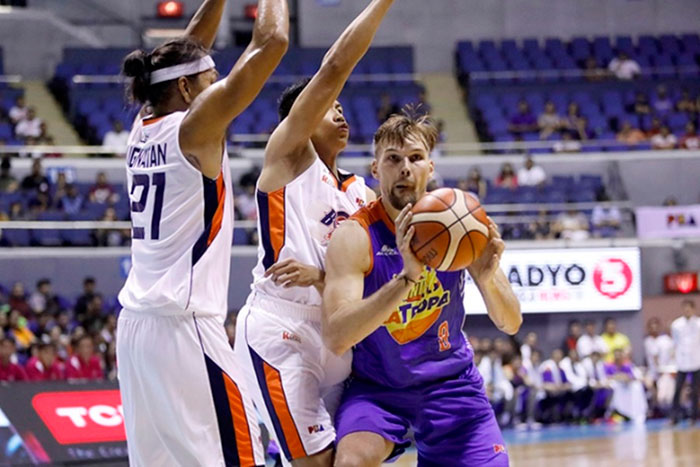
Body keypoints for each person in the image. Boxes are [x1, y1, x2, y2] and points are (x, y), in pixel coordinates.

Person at [116, 0, 289, 465]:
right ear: (188, 88)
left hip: (135, 330)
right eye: (212, 82)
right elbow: (272, 42)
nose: (220, 90)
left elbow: (192, 43)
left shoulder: (142, 125)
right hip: (185, 328)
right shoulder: (194, 128)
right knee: (240, 455)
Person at [234, 2, 391, 464]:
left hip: (340, 335)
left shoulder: (363, 194)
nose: (340, 113)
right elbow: (336, 66)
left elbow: (381, 274)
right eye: (329, 107)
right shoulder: (288, 161)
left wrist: (322, 278)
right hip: (282, 327)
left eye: (343, 107)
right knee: (314, 461)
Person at [322, 114, 521, 466]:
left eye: (415, 158)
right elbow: (337, 336)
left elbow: (511, 323)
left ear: (430, 166)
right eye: (393, 159)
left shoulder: (462, 223)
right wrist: (406, 279)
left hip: (451, 383)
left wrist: (488, 279)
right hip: (379, 389)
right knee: (351, 462)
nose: (405, 168)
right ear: (375, 168)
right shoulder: (355, 235)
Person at [670, 299, 700, 425]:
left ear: (693, 309)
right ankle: (674, 417)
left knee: (695, 390)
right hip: (682, 361)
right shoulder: (676, 325)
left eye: (690, 308)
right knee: (677, 390)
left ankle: (693, 417)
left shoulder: (698, 323)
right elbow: (675, 343)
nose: (687, 310)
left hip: (696, 361)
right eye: (685, 308)